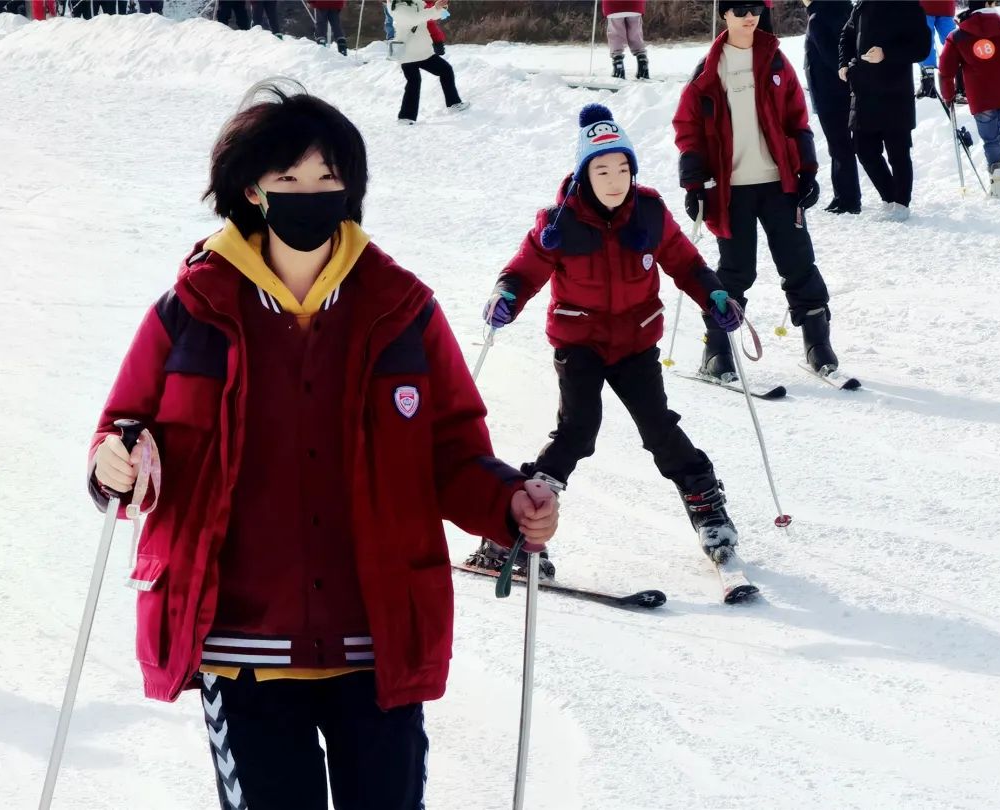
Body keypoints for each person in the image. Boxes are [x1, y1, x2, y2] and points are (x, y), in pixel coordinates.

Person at [87, 81, 559, 810]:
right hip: (243, 651)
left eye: (328, 178)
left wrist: (509, 504)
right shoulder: (193, 311)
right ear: (252, 190)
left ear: (351, 189)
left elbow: (453, 452)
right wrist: (113, 461)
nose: (311, 193)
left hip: (375, 641)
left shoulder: (401, 310)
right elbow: (123, 429)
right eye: (289, 180)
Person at [465, 103, 742, 578]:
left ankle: (705, 502)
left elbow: (684, 262)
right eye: (602, 169)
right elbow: (523, 271)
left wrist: (714, 292)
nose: (614, 180)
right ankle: (511, 527)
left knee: (658, 427)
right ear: (583, 174)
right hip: (581, 343)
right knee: (578, 429)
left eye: (622, 169)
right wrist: (505, 294)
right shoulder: (559, 223)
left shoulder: (650, 213)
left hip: (636, 341)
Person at [675, 1, 839, 379]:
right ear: (725, 14)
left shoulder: (776, 60)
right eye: (739, 8)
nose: (750, 16)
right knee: (735, 272)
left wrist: (808, 170)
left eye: (755, 8)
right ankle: (716, 351)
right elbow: (689, 129)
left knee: (798, 264)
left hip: (778, 184)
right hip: (731, 190)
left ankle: (817, 343)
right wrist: (694, 183)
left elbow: (798, 118)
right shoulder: (708, 69)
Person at [839, 0, 930, 221]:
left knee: (898, 152)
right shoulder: (861, 4)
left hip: (895, 92)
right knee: (864, 149)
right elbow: (847, 35)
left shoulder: (908, 5)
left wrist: (886, 53)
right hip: (863, 90)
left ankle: (901, 204)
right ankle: (889, 196)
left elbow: (921, 47)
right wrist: (843, 64)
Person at [938, 1, 1000, 199]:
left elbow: (946, 70)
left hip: (981, 96)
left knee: (991, 138)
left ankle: (999, 187)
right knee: (997, 133)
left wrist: (948, 94)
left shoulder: (957, 36)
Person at [803, 0, 861, 214]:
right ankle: (843, 195)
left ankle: (848, 199)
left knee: (839, 146)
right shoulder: (845, 9)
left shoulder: (819, 17)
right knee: (841, 146)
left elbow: (831, 57)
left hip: (829, 92)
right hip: (845, 90)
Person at [389, 0, 467, 125]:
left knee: (445, 70)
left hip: (424, 52)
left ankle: (454, 103)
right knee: (414, 82)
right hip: (408, 54)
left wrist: (439, 8)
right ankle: (405, 118)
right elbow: (413, 19)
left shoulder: (416, 2)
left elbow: (431, 15)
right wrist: (433, 10)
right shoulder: (397, 6)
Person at [918, 0, 958, 99]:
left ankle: (928, 86)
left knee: (926, 43)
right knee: (953, 44)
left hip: (925, 6)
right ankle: (960, 85)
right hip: (946, 6)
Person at [603, 0, 648, 80]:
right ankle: (642, 62)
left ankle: (618, 64)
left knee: (616, 34)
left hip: (614, 5)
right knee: (636, 33)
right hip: (635, 4)